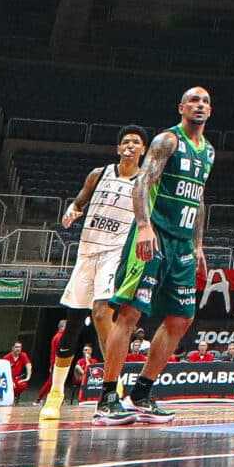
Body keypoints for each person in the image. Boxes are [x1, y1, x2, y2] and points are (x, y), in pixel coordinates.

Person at [100, 87, 216, 424]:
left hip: (182, 243)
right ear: (181, 107)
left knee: (182, 319)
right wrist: (144, 225)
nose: (200, 105)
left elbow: (199, 198)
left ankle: (141, 393)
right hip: (154, 236)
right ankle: (108, 397)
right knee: (130, 314)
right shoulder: (168, 140)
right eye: (194, 100)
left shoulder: (208, 151)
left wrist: (198, 244)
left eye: (206, 102)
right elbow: (142, 183)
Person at [46, 126, 148, 421]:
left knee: (102, 312)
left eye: (136, 143)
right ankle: (56, 393)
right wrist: (72, 211)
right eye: (125, 142)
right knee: (73, 325)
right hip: (86, 253)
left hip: (114, 254)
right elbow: (80, 201)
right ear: (118, 149)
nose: (130, 146)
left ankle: (112, 382)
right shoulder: (98, 174)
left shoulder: (144, 182)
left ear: (142, 151)